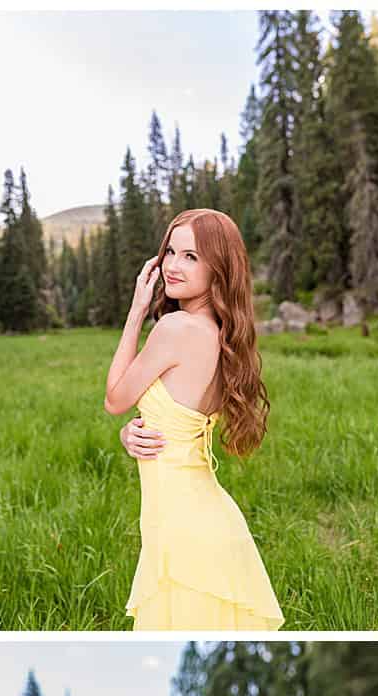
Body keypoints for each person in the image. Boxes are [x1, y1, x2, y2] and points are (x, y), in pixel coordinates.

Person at [105, 208, 282, 631]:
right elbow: (175, 417)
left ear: (218, 268)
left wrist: (136, 310)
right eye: (170, 251)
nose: (172, 265)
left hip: (184, 527)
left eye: (191, 257)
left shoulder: (176, 328)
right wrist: (135, 430)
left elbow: (115, 398)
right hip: (204, 518)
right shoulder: (223, 335)